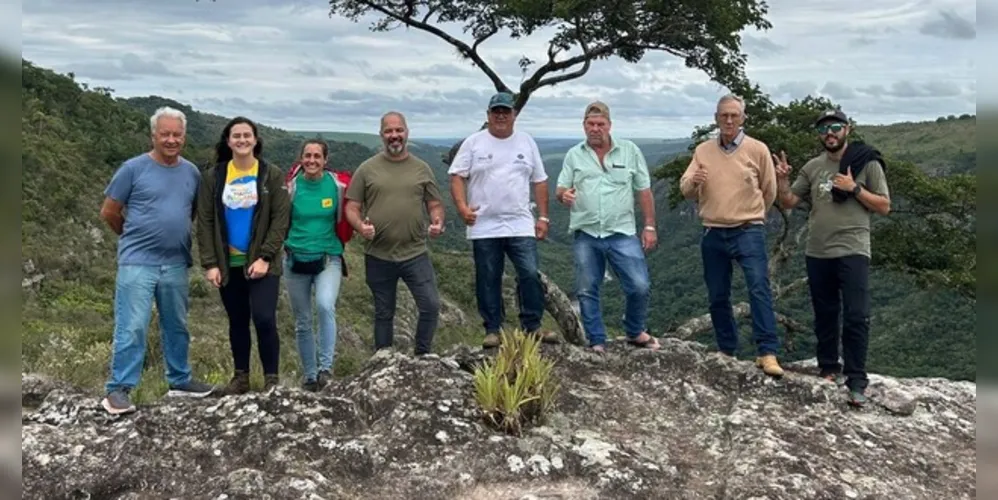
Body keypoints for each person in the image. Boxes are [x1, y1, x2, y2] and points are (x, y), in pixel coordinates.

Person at [98, 106, 215, 415]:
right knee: (133, 326)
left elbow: (190, 212)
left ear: (184, 137)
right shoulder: (132, 169)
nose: (171, 140)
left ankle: (180, 381)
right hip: (138, 262)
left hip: (176, 261)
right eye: (165, 134)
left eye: (177, 134)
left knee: (176, 325)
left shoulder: (191, 172)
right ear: (154, 135)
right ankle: (118, 390)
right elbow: (109, 211)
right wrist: (131, 237)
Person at [774, 109, 891, 406]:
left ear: (847, 130)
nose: (830, 133)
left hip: (853, 248)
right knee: (825, 314)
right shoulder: (813, 167)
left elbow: (883, 205)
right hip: (817, 250)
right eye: (824, 129)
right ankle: (828, 368)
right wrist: (782, 180)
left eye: (835, 127)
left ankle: (856, 380)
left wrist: (854, 188)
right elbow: (788, 201)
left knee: (856, 315)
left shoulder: (867, 162)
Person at [679, 94, 784, 377]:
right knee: (717, 294)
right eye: (723, 115)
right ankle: (727, 349)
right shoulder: (703, 150)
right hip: (713, 231)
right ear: (716, 118)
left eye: (734, 116)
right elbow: (686, 188)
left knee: (758, 288)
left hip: (748, 229)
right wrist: (693, 182)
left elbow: (769, 190)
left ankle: (767, 352)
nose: (728, 120)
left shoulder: (758, 149)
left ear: (742, 118)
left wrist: (755, 214)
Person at [448, 92, 558, 348]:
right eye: (495, 111)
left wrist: (543, 217)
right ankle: (493, 328)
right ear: (488, 115)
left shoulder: (526, 142)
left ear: (514, 115)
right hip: (483, 223)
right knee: (488, 276)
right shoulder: (474, 142)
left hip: (520, 221)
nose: (500, 116)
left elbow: (539, 180)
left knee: (530, 273)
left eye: (505, 111)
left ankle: (533, 325)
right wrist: (462, 207)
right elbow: (456, 175)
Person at [196, 116, 290, 394]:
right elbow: (205, 221)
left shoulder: (271, 174)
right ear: (228, 141)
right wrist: (211, 263)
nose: (242, 140)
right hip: (228, 263)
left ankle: (271, 379)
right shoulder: (214, 176)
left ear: (255, 139)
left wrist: (266, 257)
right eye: (236, 136)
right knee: (237, 320)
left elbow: (280, 219)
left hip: (262, 263)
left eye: (247, 135)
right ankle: (241, 377)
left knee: (263, 318)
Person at [555, 101, 658, 353]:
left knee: (639, 285)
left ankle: (634, 330)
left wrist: (650, 226)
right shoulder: (574, 155)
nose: (595, 129)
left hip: (622, 231)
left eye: (600, 124)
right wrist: (563, 196)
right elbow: (560, 188)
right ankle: (597, 340)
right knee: (587, 289)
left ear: (609, 125)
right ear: (584, 126)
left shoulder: (629, 151)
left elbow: (643, 190)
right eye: (590, 124)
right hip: (586, 232)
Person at [344, 111, 446, 356]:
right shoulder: (367, 169)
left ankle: (422, 357)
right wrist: (360, 226)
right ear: (381, 135)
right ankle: (383, 362)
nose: (394, 136)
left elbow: (434, 204)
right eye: (388, 131)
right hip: (378, 254)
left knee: (430, 306)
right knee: (383, 312)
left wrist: (437, 221)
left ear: (407, 133)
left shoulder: (422, 168)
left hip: (415, 253)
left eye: (398, 130)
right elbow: (351, 206)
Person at [283, 139, 350, 391]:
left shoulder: (337, 186)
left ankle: (325, 369)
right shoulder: (291, 187)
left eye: (317, 156)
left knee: (324, 305)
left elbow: (351, 210)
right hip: (295, 258)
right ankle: (310, 377)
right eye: (307, 155)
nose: (312, 160)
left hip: (328, 256)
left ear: (325, 160)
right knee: (302, 320)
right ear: (301, 158)